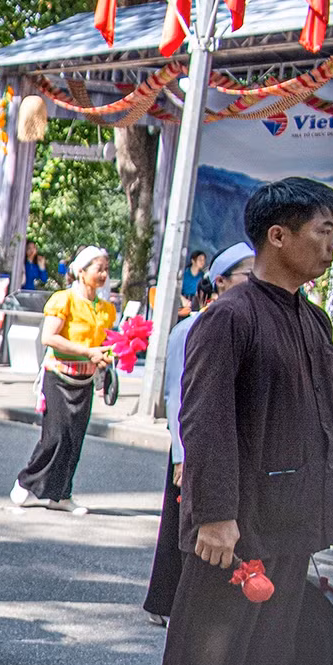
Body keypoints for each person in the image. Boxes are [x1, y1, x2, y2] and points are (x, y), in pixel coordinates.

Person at [151, 179, 333, 665]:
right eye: (323, 231)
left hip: (292, 512)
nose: (332, 246)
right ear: (278, 235)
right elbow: (204, 421)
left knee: (268, 646)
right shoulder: (229, 318)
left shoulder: (311, 318)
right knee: (210, 643)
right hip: (236, 519)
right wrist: (214, 514)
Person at [144, 241, 254, 626]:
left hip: (225, 447)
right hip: (189, 447)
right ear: (221, 282)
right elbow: (178, 396)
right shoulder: (190, 329)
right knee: (182, 529)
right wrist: (181, 454)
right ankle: (166, 601)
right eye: (247, 276)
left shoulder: (245, 325)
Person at [11, 246, 114, 514]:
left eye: (106, 269)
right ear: (81, 272)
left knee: (74, 440)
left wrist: (109, 355)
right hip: (58, 377)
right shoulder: (63, 300)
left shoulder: (105, 309)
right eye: (98, 269)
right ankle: (26, 482)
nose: (104, 274)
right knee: (55, 437)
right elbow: (50, 337)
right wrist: (87, 352)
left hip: (84, 380)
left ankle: (61, 495)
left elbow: (104, 341)